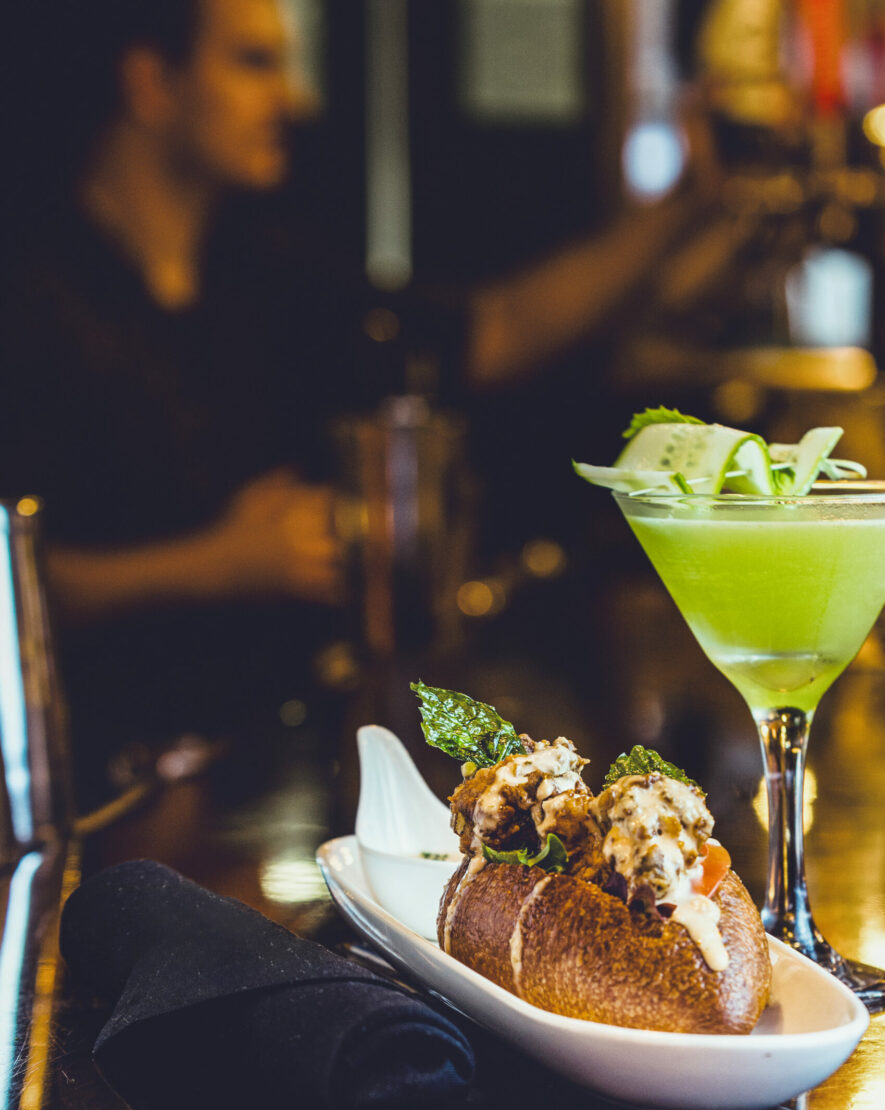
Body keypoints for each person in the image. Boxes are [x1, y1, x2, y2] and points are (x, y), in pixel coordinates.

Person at [0, 0, 743, 804]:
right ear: (151, 84)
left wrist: (688, 204)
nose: (292, 99)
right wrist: (217, 563)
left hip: (250, 773)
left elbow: (489, 332)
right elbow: (16, 581)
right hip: (95, 795)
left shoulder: (263, 271)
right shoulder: (36, 299)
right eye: (254, 64)